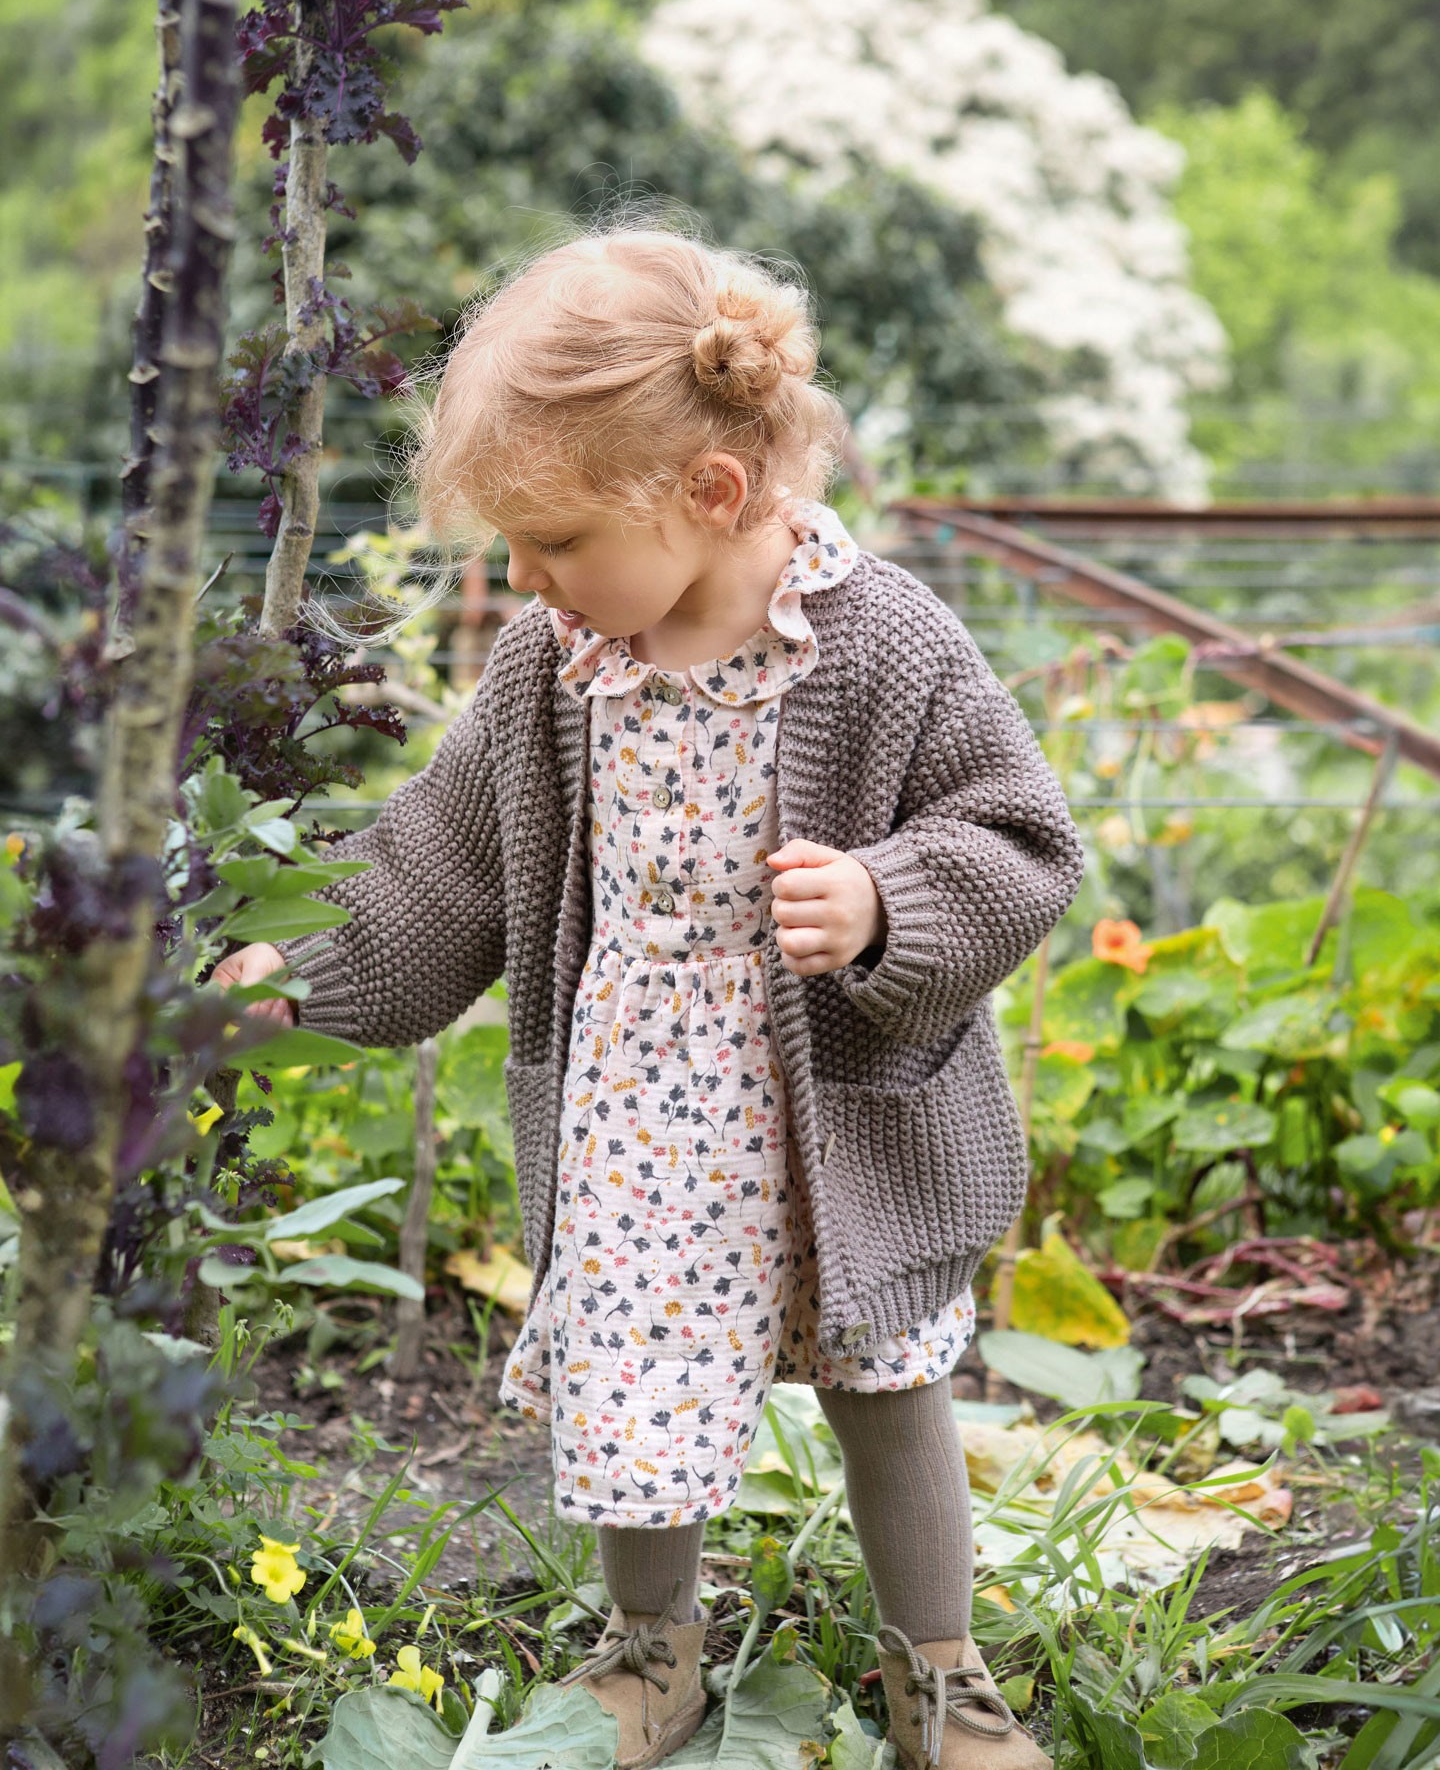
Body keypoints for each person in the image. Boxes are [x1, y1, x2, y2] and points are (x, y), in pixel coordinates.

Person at [213, 224, 1084, 1770]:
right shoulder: (558, 671)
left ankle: (938, 1676)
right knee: (636, 1372)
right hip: (642, 1103)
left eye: (550, 541)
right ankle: (650, 1655)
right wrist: (309, 966)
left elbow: (1015, 834)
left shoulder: (886, 645)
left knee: (889, 1375)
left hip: (835, 1102)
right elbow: (447, 861)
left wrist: (890, 899)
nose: (527, 581)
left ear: (710, 496)